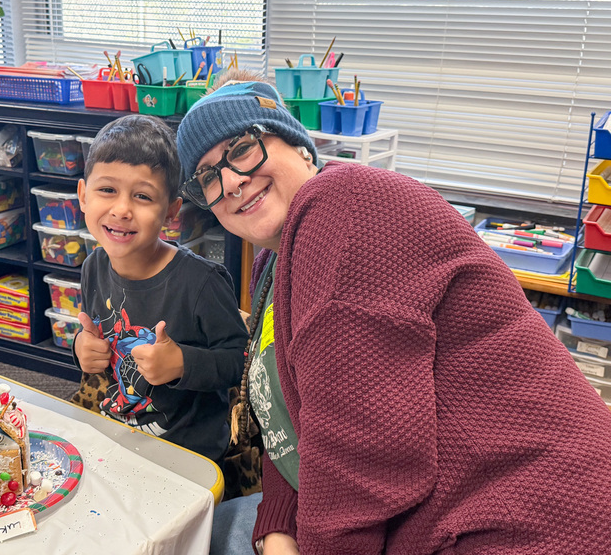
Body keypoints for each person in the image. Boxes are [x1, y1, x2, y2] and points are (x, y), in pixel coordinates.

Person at [177, 71, 611, 554]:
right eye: (208, 177)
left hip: (530, 520)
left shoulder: (342, 205)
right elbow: (286, 421)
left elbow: (362, 453)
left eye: (241, 149)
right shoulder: (271, 267)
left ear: (300, 147)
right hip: (417, 517)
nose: (230, 182)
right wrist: (277, 528)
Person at [72, 114, 248, 465]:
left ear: (171, 212)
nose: (122, 209)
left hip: (189, 450)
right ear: (83, 196)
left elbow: (240, 362)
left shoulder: (202, 282)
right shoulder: (94, 266)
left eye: (142, 196)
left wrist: (182, 363)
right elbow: (97, 334)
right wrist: (80, 347)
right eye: (107, 190)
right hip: (118, 430)